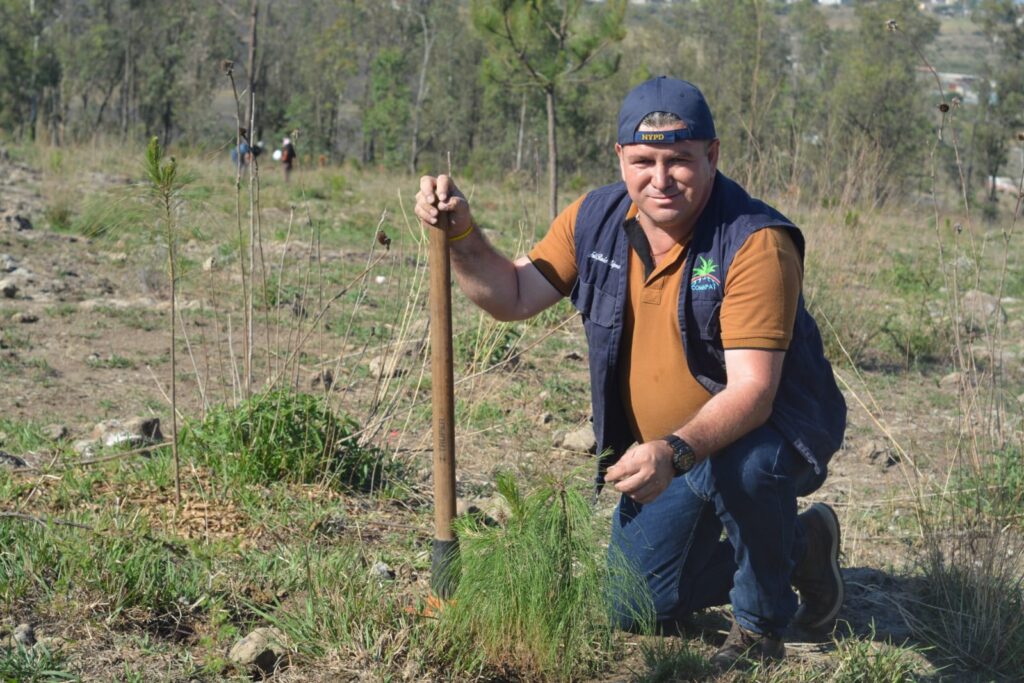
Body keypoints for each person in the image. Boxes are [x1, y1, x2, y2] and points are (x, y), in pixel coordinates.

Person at [414, 76, 847, 670]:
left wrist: (673, 450)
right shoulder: (594, 219)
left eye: (680, 160)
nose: (660, 179)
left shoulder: (754, 241)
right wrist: (461, 235)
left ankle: (760, 629)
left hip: (766, 430)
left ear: (712, 155)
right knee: (633, 602)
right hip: (668, 452)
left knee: (746, 468)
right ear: (620, 157)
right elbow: (512, 294)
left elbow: (753, 392)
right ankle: (802, 546)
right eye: (644, 161)